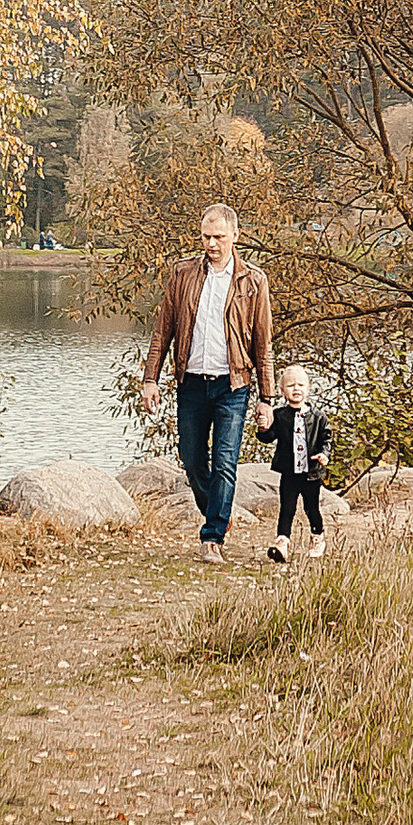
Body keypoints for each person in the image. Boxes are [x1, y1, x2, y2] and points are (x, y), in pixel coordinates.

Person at [139, 198, 275, 563]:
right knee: (192, 459)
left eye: (218, 236)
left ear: (235, 236)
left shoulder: (253, 281)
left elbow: (263, 343)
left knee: (226, 460)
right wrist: (150, 378)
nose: (211, 243)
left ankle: (212, 536)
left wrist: (267, 397)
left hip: (233, 384)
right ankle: (218, 510)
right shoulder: (183, 274)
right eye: (205, 236)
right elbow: (162, 330)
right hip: (192, 382)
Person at [258, 364, 330, 562]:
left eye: (300, 385)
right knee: (287, 508)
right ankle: (282, 543)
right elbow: (269, 438)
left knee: (311, 508)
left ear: (308, 388)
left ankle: (317, 537)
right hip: (289, 473)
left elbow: (326, 438)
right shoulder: (280, 415)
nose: (296, 389)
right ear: (282, 391)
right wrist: (264, 428)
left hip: (311, 473)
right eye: (290, 385)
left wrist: (324, 455)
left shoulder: (318, 417)